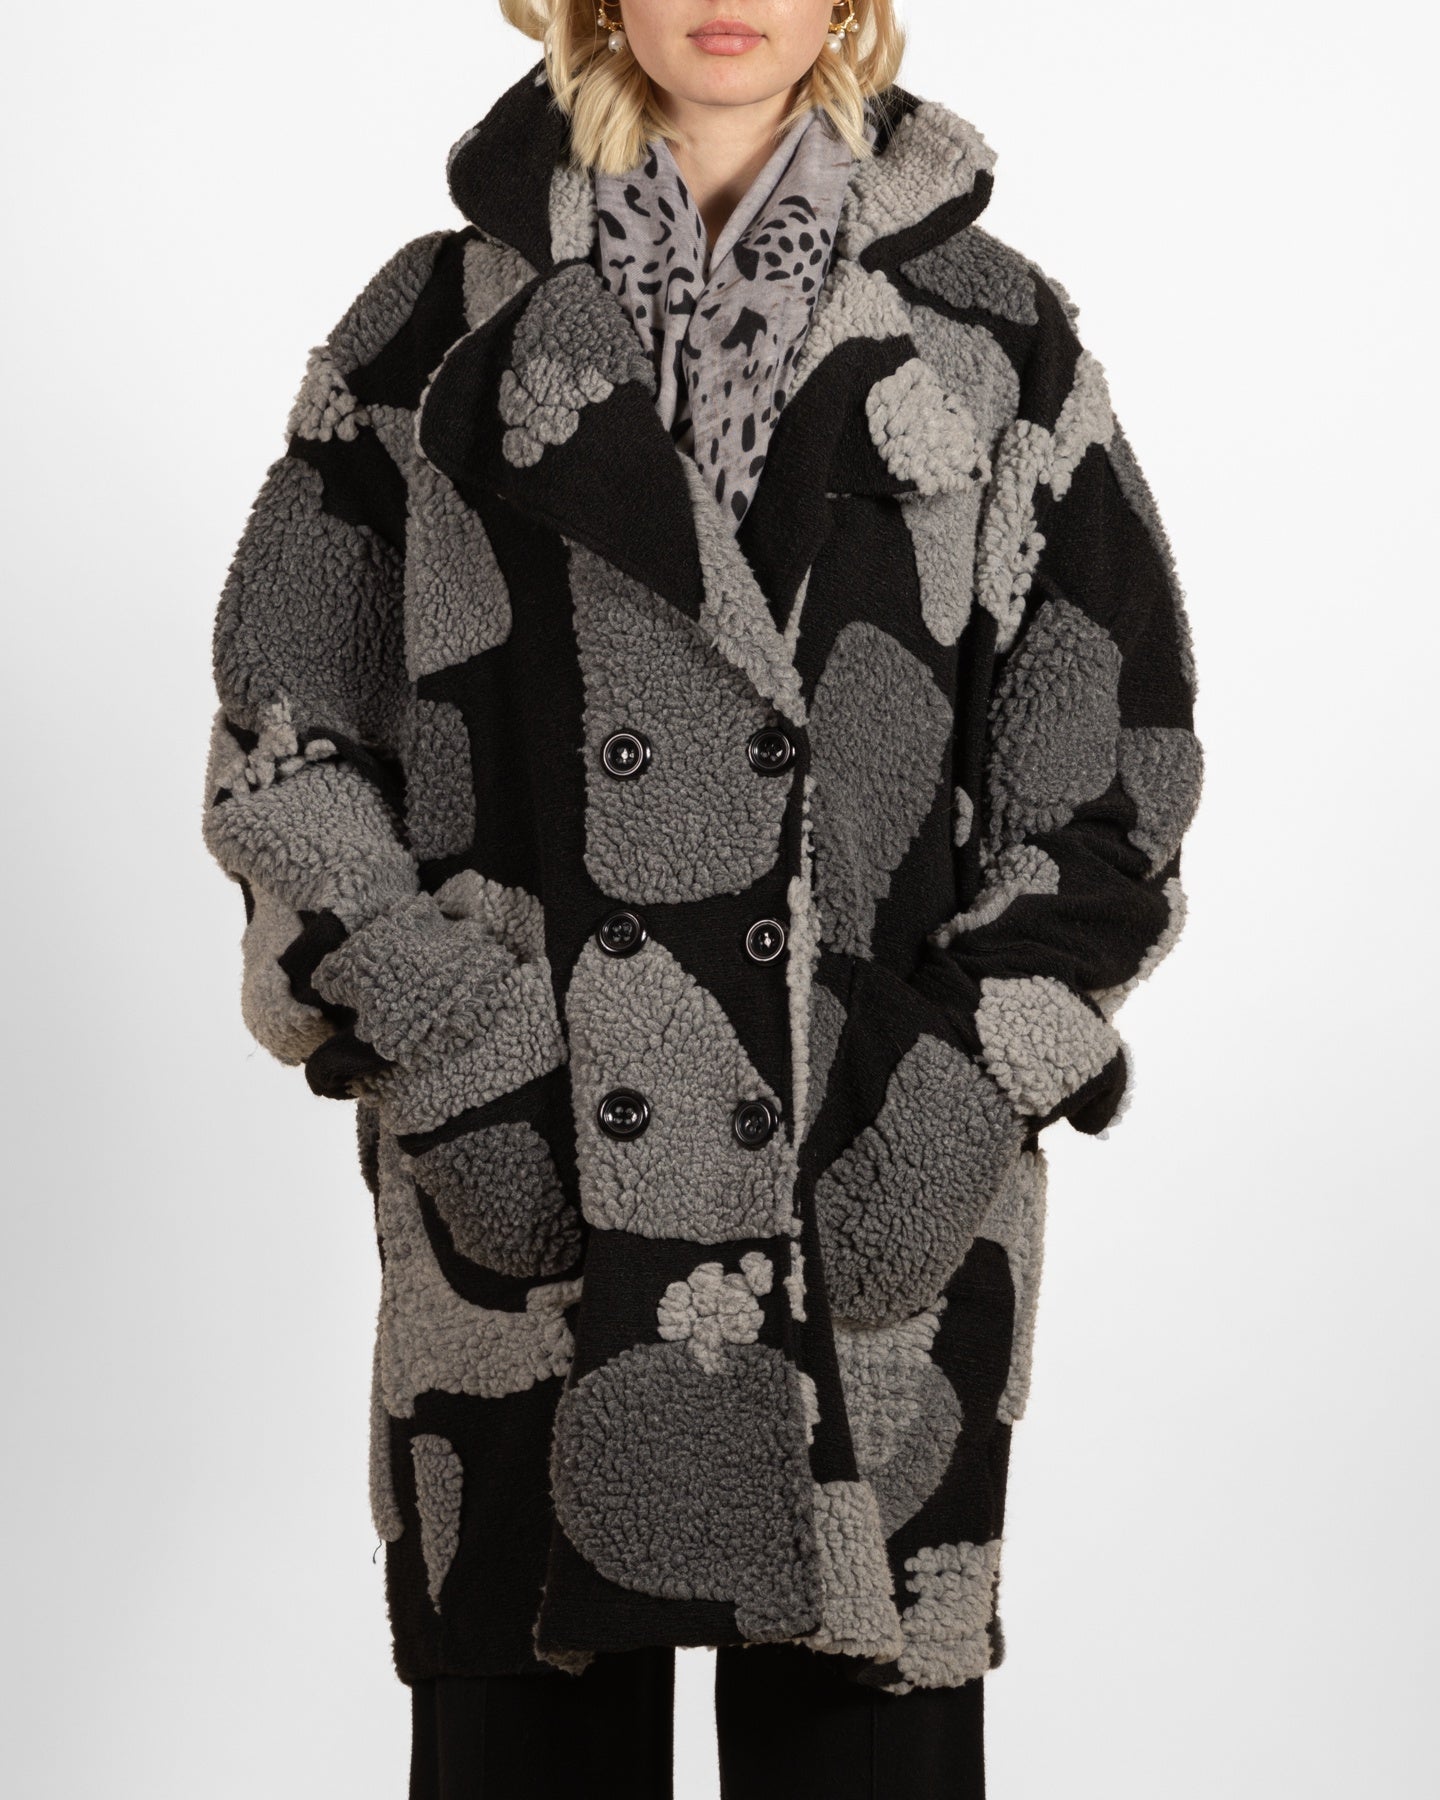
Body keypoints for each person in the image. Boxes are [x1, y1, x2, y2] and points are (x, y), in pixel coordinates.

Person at [199, 1, 1202, 1793]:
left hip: (862, 1205)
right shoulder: (437, 325)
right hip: (530, 1205)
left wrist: (942, 1100)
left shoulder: (987, 336)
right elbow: (288, 739)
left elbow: (1110, 770)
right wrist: (463, 1053)